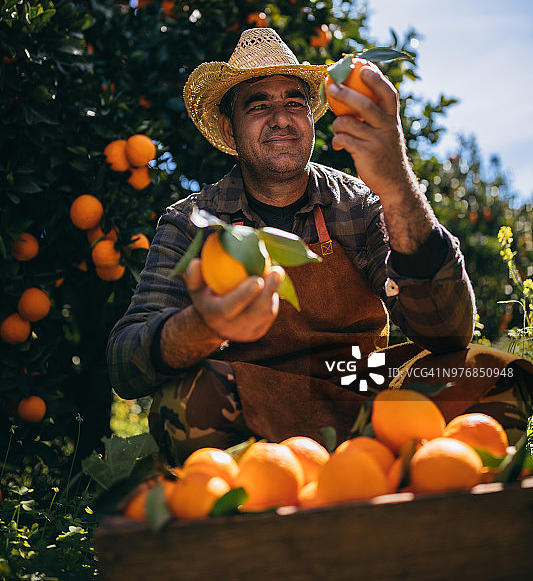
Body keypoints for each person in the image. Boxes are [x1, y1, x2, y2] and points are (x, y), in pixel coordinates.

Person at [107, 28, 533, 463]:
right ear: (229, 131)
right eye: (258, 106)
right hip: (252, 396)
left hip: (360, 382)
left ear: (312, 118)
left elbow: (448, 332)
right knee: (183, 402)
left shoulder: (359, 203)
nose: (280, 117)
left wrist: (397, 183)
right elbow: (126, 362)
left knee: (493, 376)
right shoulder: (190, 223)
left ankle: (428, 503)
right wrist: (204, 326)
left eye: (294, 102)